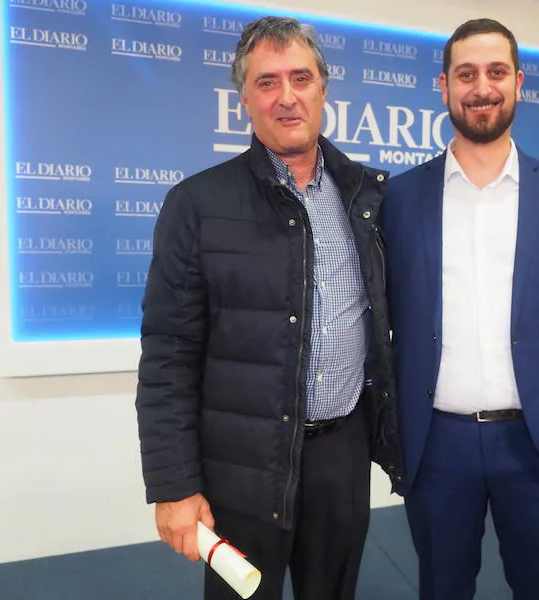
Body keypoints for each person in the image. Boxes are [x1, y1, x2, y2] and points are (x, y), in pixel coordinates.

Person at [135, 16, 403, 600]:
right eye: (267, 82)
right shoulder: (197, 204)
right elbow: (168, 357)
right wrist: (175, 485)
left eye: (300, 78)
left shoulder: (369, 197)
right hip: (242, 465)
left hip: (341, 453)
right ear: (244, 101)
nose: (287, 97)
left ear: (323, 90)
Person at [380, 18, 539, 600]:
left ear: (519, 82)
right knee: (442, 589)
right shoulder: (396, 199)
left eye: (495, 73)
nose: (481, 87)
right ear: (443, 86)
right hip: (436, 449)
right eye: (466, 74)